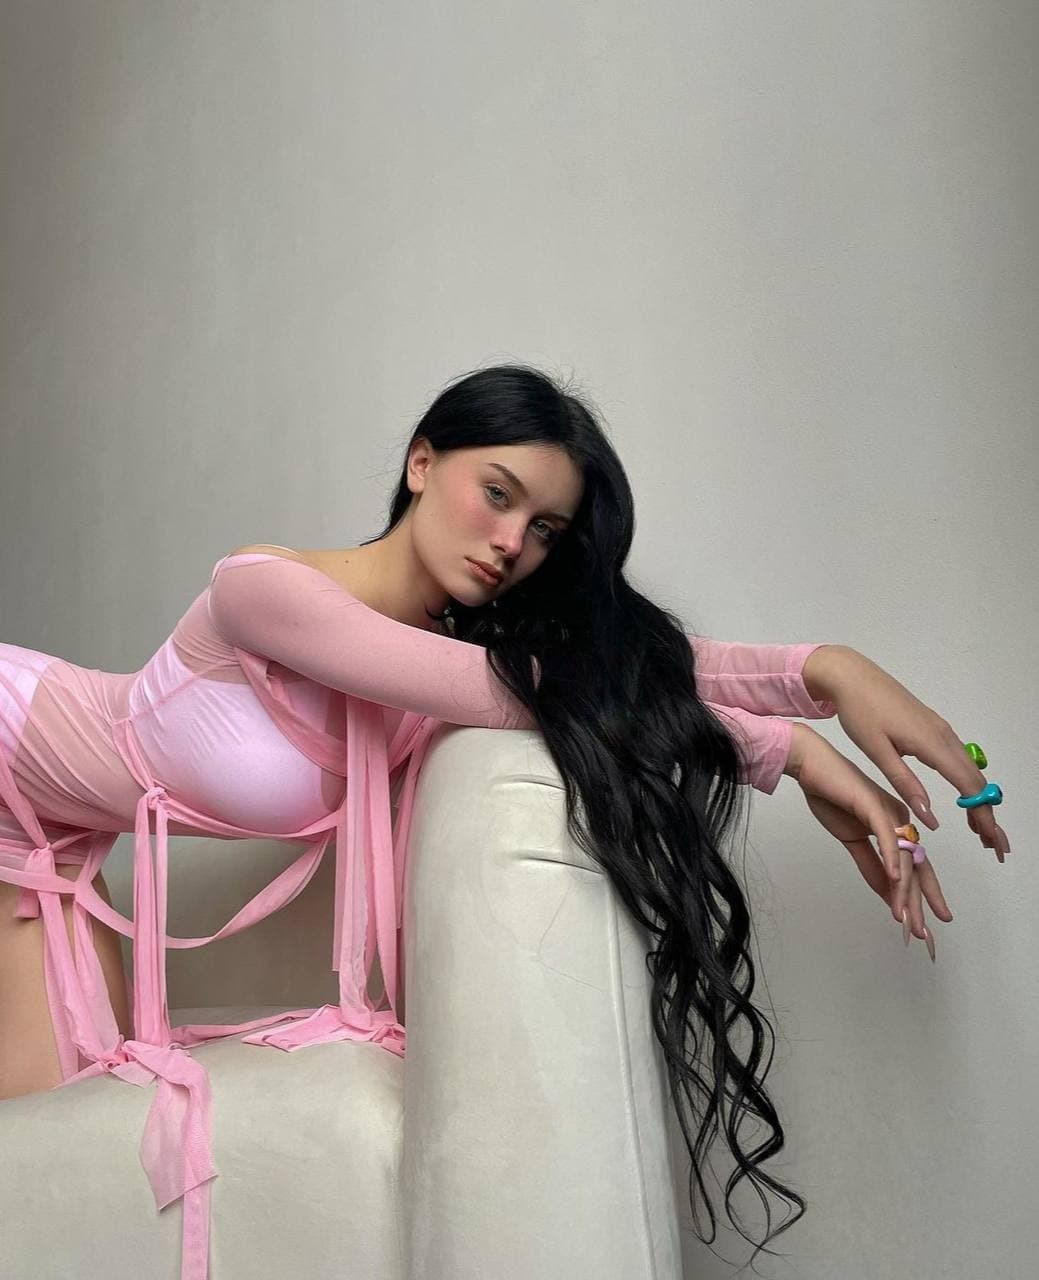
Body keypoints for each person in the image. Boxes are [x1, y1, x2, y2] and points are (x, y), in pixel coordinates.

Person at [0, 363, 1008, 1278]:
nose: (512, 543)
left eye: (545, 529)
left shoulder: (441, 653)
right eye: (496, 493)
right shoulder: (263, 590)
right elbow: (523, 691)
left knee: (44, 1154)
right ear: (421, 462)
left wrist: (824, 669)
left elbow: (625, 665)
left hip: (42, 832)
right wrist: (791, 750)